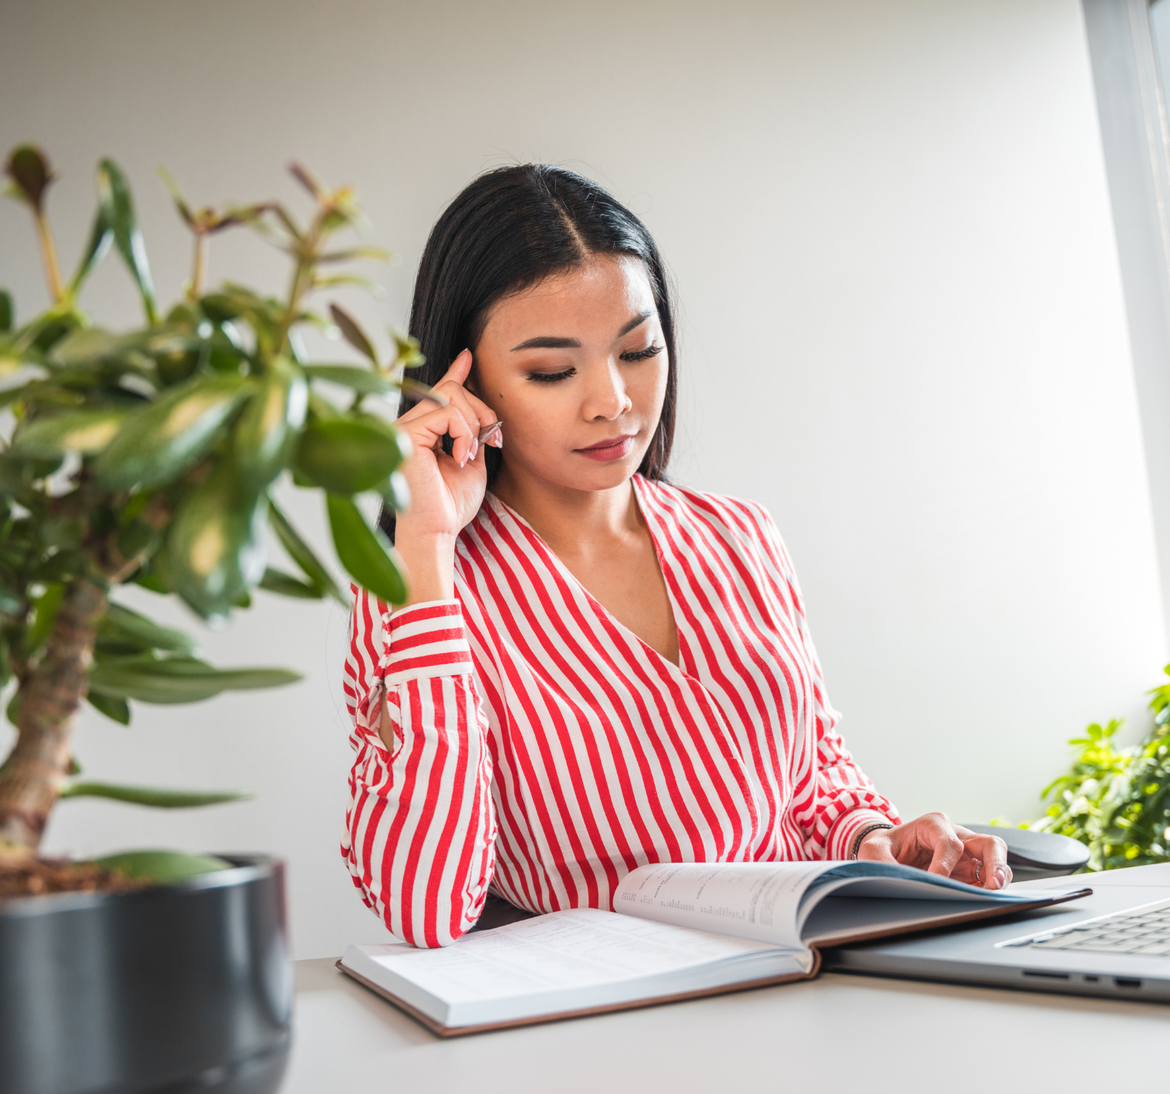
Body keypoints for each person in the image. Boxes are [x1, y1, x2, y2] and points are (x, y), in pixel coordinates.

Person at [341, 165, 1008, 947]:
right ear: (463, 379)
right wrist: (425, 549)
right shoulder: (421, 588)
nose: (612, 401)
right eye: (552, 371)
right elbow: (424, 907)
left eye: (637, 350)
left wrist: (877, 843)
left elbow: (812, 778)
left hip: (803, 984)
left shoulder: (739, 536)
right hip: (595, 1030)